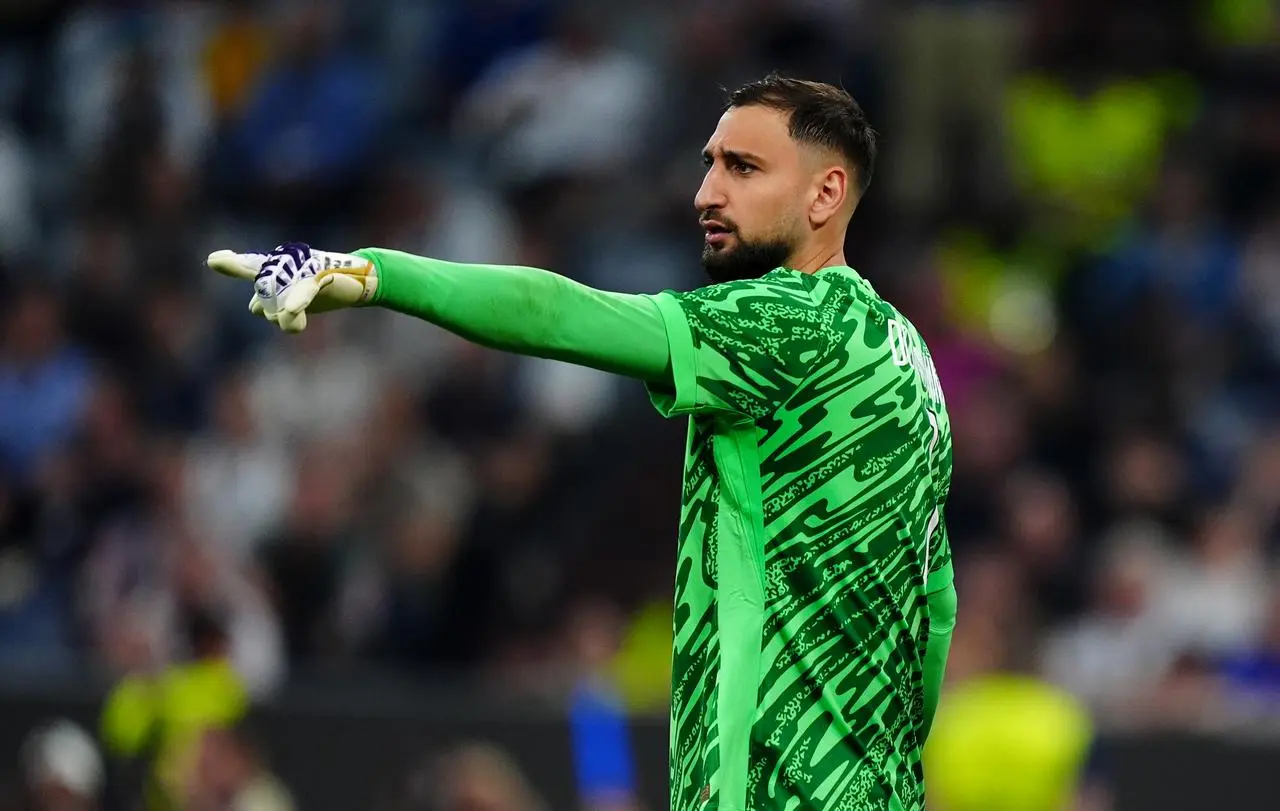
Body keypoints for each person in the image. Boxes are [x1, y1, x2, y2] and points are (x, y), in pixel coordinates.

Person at [210, 73, 958, 811]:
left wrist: (374, 273)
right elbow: (936, 609)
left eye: (743, 167)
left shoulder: (789, 319)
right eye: (710, 163)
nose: (706, 194)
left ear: (825, 194)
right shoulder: (909, 360)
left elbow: (557, 311)